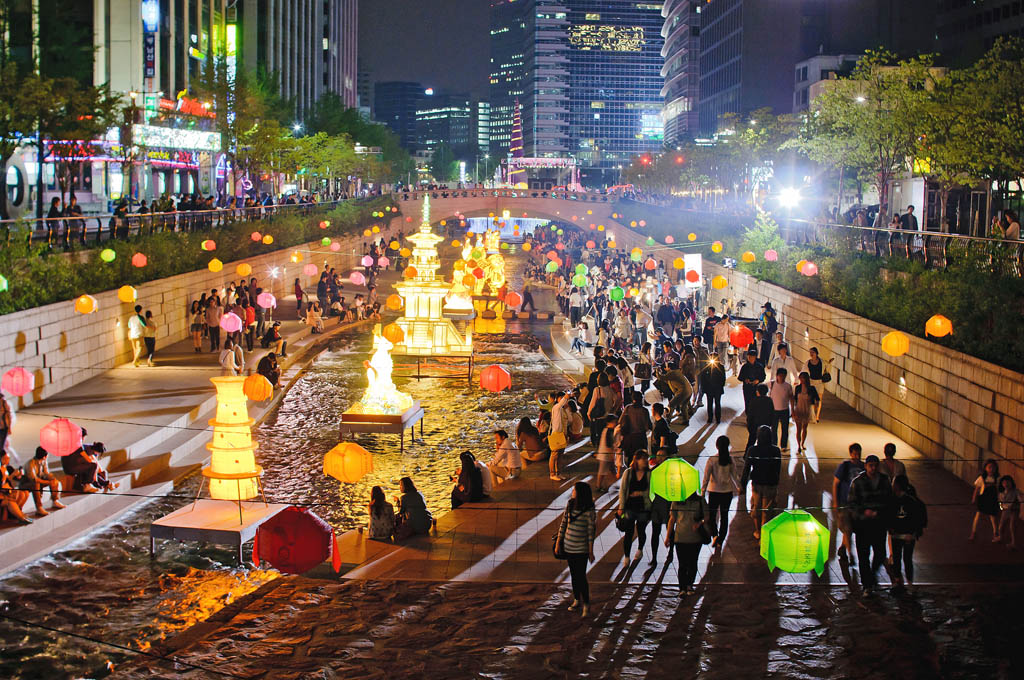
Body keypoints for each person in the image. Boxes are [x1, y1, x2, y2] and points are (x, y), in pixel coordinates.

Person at [849, 454, 893, 595]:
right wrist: (863, 514)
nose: (873, 468)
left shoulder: (885, 481)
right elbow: (852, 504)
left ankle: (871, 575)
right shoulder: (858, 482)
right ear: (866, 466)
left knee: (880, 553)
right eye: (870, 466)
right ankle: (867, 584)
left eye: (875, 465)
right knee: (863, 555)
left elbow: (889, 501)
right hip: (863, 525)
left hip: (879, 524)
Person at [555, 481, 596, 617]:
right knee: (574, 575)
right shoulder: (570, 504)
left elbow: (591, 532)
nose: (572, 492)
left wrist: (590, 551)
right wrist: (558, 542)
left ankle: (586, 603)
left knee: (581, 576)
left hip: (581, 549)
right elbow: (564, 523)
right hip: (569, 546)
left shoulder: (589, 510)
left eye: (574, 490)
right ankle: (577, 599)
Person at [665, 483, 710, 595]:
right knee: (682, 564)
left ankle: (689, 585)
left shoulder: (700, 501)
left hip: (695, 538)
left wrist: (699, 523)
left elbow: (707, 516)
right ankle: (683, 588)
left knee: (692, 562)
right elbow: (672, 520)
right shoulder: (676, 501)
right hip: (680, 537)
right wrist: (667, 536)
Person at [888, 474, 927, 587]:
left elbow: (916, 517)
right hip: (899, 533)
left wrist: (912, 532)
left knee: (903, 558)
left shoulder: (908, 500)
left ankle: (904, 581)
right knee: (902, 558)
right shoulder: (895, 498)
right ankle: (901, 580)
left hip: (905, 534)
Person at [702, 435, 739, 550]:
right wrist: (739, 487)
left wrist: (703, 492)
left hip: (713, 491)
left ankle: (715, 535)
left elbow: (706, 477)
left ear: (717, 446)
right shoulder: (730, 459)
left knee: (712, 516)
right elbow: (735, 476)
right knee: (724, 516)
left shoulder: (712, 460)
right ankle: (720, 540)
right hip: (727, 492)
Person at [832, 443, 866, 563]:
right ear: (850, 454)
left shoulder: (863, 466)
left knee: (849, 529)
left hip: (857, 504)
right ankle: (850, 554)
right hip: (845, 502)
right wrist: (836, 502)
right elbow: (836, 483)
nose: (857, 456)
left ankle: (843, 548)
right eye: (855, 454)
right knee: (847, 528)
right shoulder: (845, 466)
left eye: (858, 454)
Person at [618, 451, 652, 563]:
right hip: (629, 507)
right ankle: (626, 556)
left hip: (643, 507)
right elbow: (622, 491)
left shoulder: (649, 474)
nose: (645, 461)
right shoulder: (628, 472)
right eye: (642, 459)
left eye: (646, 459)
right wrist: (621, 507)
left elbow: (651, 491)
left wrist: (640, 493)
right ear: (636, 460)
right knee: (629, 533)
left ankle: (640, 549)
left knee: (641, 531)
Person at [747, 425, 781, 538]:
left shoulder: (753, 450)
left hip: (757, 483)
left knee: (756, 508)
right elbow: (777, 469)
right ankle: (765, 534)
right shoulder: (776, 450)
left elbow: (747, 468)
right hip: (771, 483)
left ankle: (758, 531)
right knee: (767, 511)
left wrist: (742, 484)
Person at [24, 447, 64, 516]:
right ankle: (39, 507)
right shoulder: (30, 463)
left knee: (54, 480)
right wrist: (48, 482)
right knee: (36, 484)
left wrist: (52, 479)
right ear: (44, 456)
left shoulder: (43, 461)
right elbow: (34, 479)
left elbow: (46, 473)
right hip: (27, 483)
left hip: (39, 480)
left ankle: (55, 501)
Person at [618, 391, 651, 469]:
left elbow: (620, 421)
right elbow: (648, 426)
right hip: (641, 438)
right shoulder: (644, 411)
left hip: (629, 438)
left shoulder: (628, 408)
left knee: (630, 459)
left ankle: (630, 475)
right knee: (641, 460)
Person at [969, 459, 1000, 542]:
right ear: (985, 468)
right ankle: (973, 532)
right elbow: (977, 489)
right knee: (978, 516)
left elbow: (998, 491)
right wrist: (973, 498)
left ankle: (995, 533)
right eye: (989, 467)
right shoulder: (982, 478)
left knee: (993, 517)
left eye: (993, 467)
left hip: (992, 499)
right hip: (983, 499)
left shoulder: (997, 478)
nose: (991, 469)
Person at [0, 451, 32, 524]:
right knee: (13, 498)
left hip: (7, 491)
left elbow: (17, 478)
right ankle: (20, 517)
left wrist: (19, 475)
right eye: (5, 458)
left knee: (25, 493)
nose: (7, 460)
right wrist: (11, 476)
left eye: (8, 458)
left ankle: (17, 513)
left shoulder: (8, 468)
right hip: (2, 494)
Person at [792, 372, 819, 452]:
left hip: (807, 408)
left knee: (804, 427)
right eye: (801, 378)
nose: (802, 380)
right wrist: (793, 410)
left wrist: (816, 409)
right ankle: (798, 445)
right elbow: (794, 399)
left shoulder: (811, 388)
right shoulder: (797, 388)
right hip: (799, 408)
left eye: (803, 378)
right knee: (798, 428)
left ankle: (802, 443)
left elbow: (817, 399)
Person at [769, 368, 795, 450]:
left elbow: (791, 398)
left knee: (785, 429)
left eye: (783, 376)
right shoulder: (771, 384)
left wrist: (793, 410)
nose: (782, 378)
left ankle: (783, 445)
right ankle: (774, 444)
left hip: (785, 410)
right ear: (777, 376)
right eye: (780, 376)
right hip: (774, 410)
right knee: (774, 429)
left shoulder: (788, 386)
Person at [594, 415, 618, 493]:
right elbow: (608, 445)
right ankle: (599, 486)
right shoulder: (609, 431)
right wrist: (612, 456)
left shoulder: (606, 430)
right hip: (605, 455)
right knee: (602, 471)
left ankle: (612, 484)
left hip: (605, 454)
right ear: (609, 422)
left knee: (611, 470)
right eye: (614, 421)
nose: (616, 423)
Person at [548, 393, 570, 482]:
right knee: (554, 454)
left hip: (561, 434)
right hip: (556, 434)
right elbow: (562, 403)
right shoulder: (556, 407)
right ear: (558, 399)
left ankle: (558, 472)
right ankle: (552, 473)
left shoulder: (562, 409)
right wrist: (566, 397)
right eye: (561, 398)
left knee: (560, 455)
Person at [701, 353, 726, 424]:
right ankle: (710, 418)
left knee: (717, 403)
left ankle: (718, 418)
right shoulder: (706, 367)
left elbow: (723, 378)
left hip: (717, 388)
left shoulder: (720, 367)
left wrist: (721, 386)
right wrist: (704, 388)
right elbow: (703, 378)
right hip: (709, 389)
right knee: (709, 403)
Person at [738, 350, 766, 414]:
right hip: (747, 387)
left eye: (752, 357)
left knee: (756, 402)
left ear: (755, 357)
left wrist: (758, 380)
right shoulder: (745, 367)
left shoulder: (759, 366)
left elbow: (763, 376)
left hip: (756, 388)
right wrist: (745, 379)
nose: (750, 358)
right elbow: (740, 377)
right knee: (747, 402)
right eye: (749, 357)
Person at [997, 475, 1020, 549]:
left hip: (1014, 510)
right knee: (1001, 525)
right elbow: (1000, 502)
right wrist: (1001, 508)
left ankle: (1014, 543)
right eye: (1004, 482)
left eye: (1008, 482)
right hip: (1006, 510)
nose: (1006, 484)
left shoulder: (1015, 491)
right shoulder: (1001, 492)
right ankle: (1001, 537)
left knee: (1012, 526)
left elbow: (1020, 499)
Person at [804, 347, 826, 422]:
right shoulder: (808, 362)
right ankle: (812, 415)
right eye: (810, 352)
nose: (811, 354)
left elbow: (825, 370)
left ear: (816, 353)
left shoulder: (821, 362)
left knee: (819, 400)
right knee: (812, 399)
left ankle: (817, 416)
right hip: (811, 382)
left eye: (812, 352)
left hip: (819, 382)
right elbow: (804, 371)